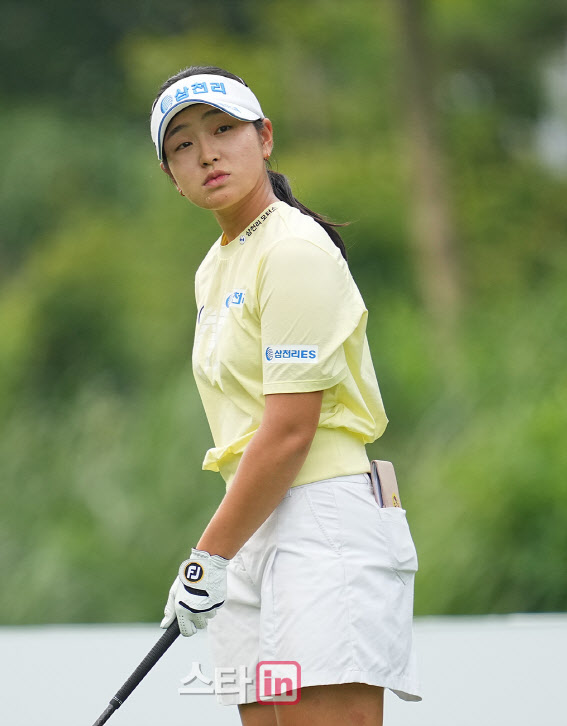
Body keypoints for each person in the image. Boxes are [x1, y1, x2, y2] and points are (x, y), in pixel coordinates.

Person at [151, 65, 420, 726]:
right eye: (182, 144)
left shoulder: (295, 249)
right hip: (251, 523)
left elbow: (291, 430)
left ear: (264, 137)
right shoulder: (213, 269)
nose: (207, 153)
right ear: (171, 175)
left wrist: (204, 558)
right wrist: (219, 555)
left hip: (322, 526)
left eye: (223, 130)